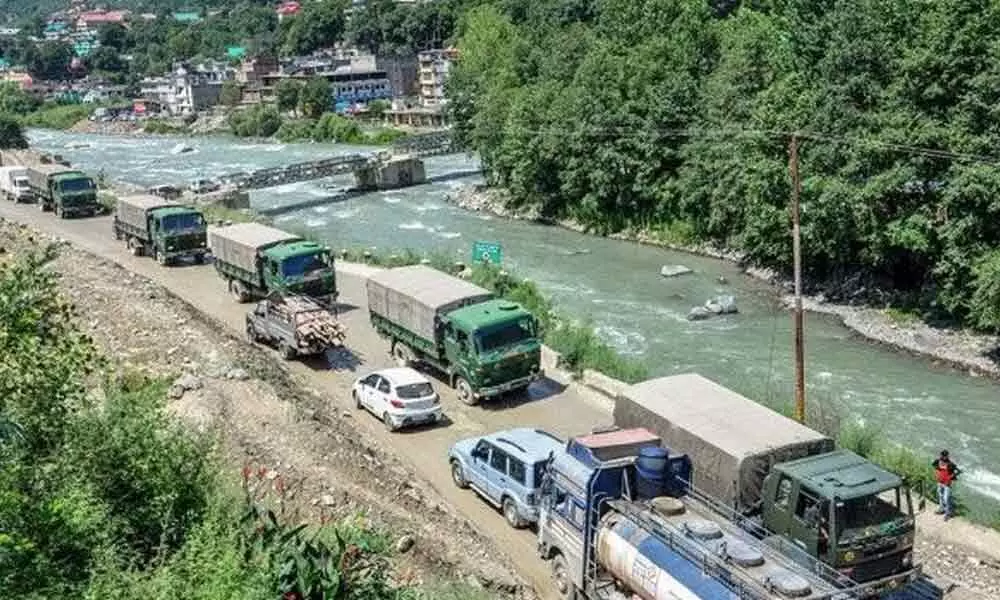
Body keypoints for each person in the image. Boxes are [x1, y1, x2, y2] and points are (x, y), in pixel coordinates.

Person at [932, 450, 961, 520]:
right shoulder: (938, 461)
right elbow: (934, 466)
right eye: (942, 455)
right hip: (939, 482)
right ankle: (941, 509)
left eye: (944, 456)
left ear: (947, 456)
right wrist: (937, 474)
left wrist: (950, 477)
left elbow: (958, 471)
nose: (942, 457)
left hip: (947, 484)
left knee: (946, 499)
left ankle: (948, 513)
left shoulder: (950, 464)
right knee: (940, 496)